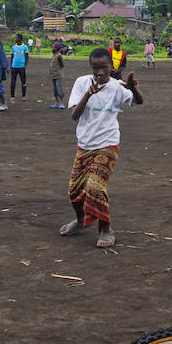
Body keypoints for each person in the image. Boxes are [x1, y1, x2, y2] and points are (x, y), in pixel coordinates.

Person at [60, 47, 144, 249]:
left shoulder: (117, 86)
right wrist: (88, 94)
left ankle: (106, 229)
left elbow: (138, 101)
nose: (99, 72)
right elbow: (74, 116)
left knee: (95, 187)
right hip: (85, 144)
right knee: (74, 191)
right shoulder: (82, 83)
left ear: (112, 67)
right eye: (95, 68)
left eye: (104, 68)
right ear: (91, 67)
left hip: (108, 143)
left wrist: (133, 88)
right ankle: (81, 221)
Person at [9, 33, 29, 99]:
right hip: (14, 67)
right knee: (12, 82)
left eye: (16, 38)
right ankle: (12, 96)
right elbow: (12, 57)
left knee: (23, 81)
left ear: (20, 39)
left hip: (21, 67)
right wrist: (11, 66)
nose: (15, 39)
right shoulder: (13, 47)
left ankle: (24, 96)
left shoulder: (25, 47)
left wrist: (25, 65)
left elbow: (26, 57)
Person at [49, 40, 66, 108]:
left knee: (59, 90)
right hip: (53, 76)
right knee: (55, 90)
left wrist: (58, 71)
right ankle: (56, 103)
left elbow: (62, 65)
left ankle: (62, 103)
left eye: (53, 47)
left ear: (57, 49)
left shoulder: (59, 56)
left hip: (58, 75)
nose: (52, 49)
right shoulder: (54, 55)